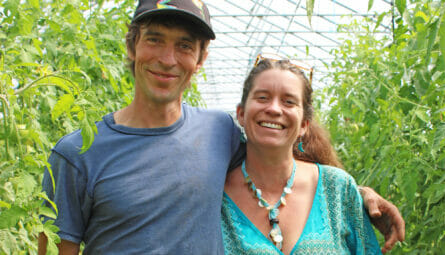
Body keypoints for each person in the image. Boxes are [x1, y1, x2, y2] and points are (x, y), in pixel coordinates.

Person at [38, 0, 404, 254]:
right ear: (132, 46)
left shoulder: (218, 131)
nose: (167, 59)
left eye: (184, 45)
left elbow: (278, 163)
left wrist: (358, 195)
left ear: (200, 59)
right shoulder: (76, 155)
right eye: (154, 40)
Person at [221, 57, 382, 254]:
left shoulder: (338, 189)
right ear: (241, 114)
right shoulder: (215, 196)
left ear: (304, 125)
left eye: (288, 102)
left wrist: (363, 193)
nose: (273, 109)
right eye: (262, 97)